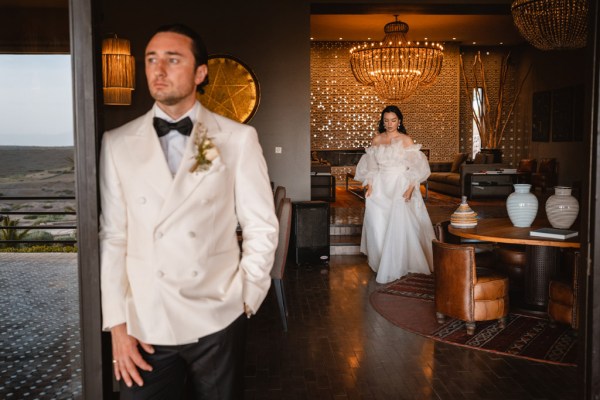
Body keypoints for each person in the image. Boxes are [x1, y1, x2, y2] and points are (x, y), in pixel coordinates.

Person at [99, 23, 278, 399]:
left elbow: (261, 224)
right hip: (144, 322)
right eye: (151, 60)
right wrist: (116, 323)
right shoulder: (116, 144)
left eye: (172, 59)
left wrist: (246, 296)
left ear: (200, 73)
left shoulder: (238, 139)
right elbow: (114, 236)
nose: (158, 70)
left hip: (217, 315)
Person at [354, 105, 435, 284]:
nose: (389, 124)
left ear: (399, 121)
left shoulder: (406, 140)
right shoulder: (377, 139)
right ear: (382, 121)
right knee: (377, 224)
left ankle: (397, 263)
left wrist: (410, 188)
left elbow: (417, 167)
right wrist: (370, 185)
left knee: (398, 224)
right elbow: (371, 166)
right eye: (386, 120)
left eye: (393, 120)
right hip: (380, 187)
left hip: (399, 184)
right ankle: (382, 261)